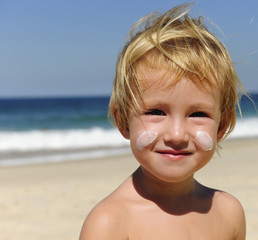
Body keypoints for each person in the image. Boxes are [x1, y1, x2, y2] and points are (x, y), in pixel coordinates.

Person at [80, 3, 246, 240]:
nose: (177, 135)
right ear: (124, 121)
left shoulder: (229, 212)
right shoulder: (110, 223)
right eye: (156, 112)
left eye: (198, 114)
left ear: (222, 126)